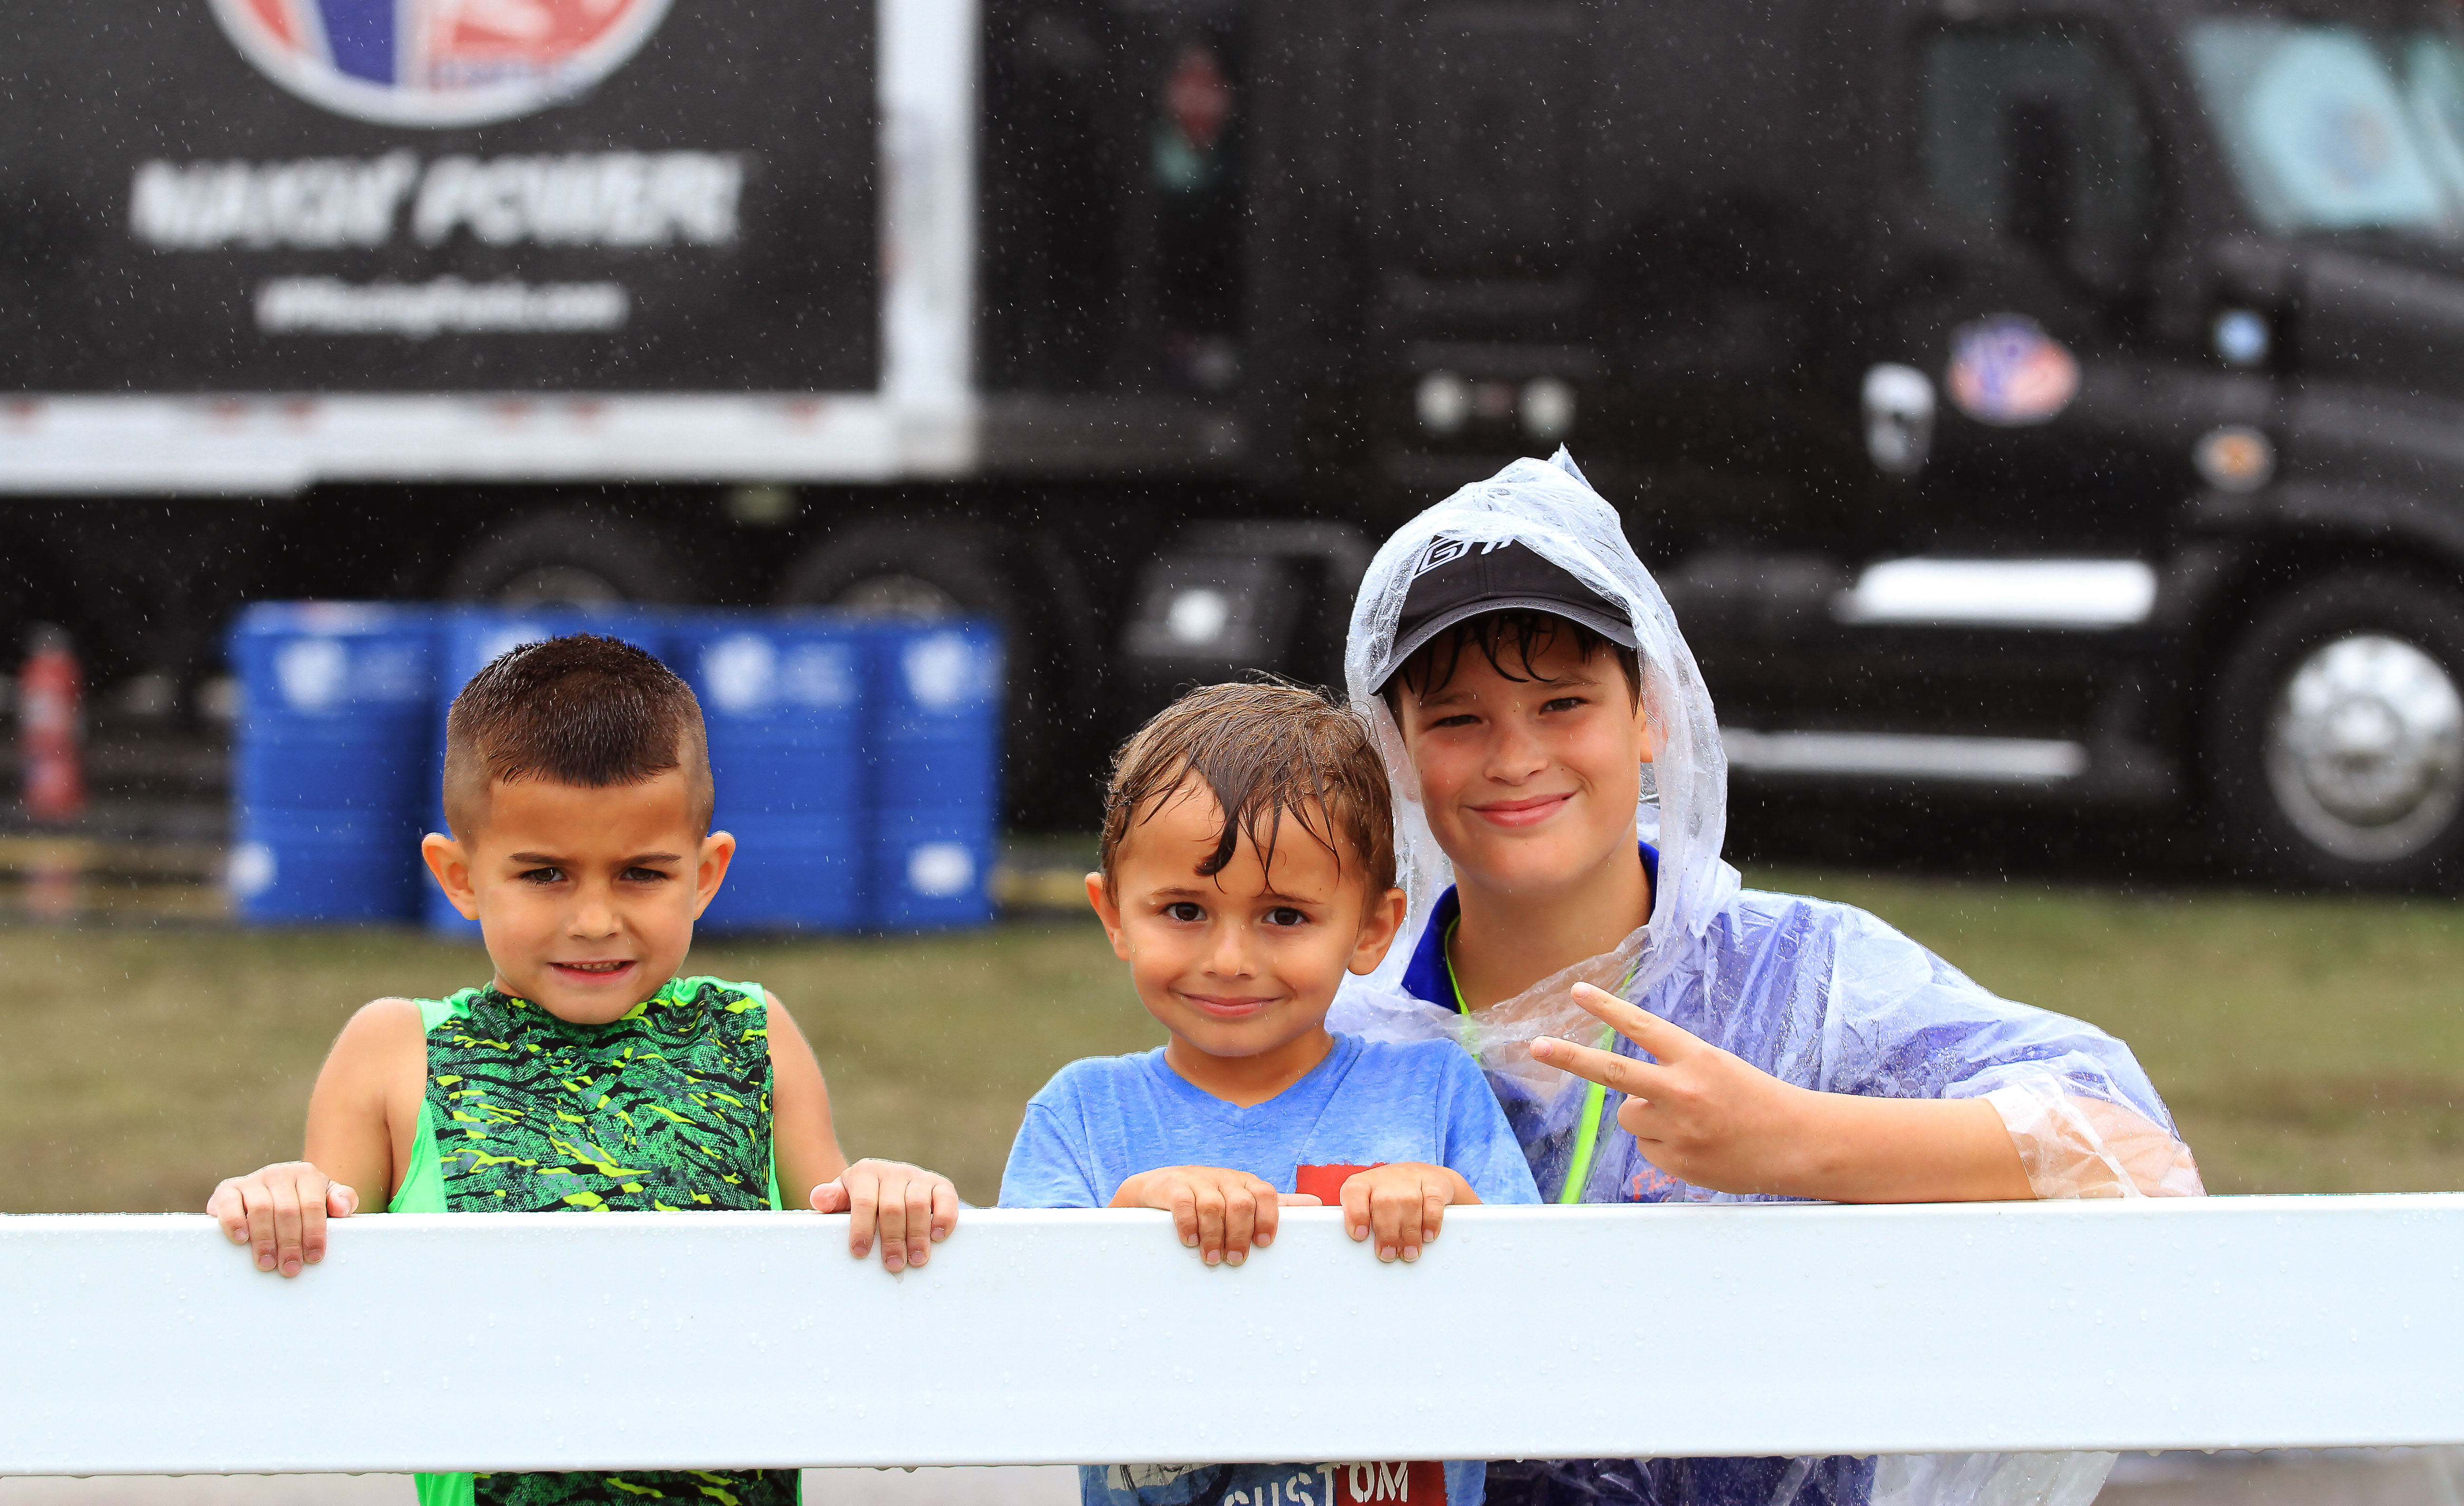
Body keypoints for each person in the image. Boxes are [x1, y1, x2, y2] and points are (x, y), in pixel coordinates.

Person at [1328, 452, 2202, 1506]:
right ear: (1396, 750)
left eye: (1563, 703)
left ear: (1649, 711)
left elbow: (2136, 1155)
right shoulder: (1344, 1030)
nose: (1516, 756)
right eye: (1458, 719)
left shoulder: (1806, 979)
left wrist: (1790, 1138)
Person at [207, 634, 960, 1506]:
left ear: (707, 873)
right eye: (545, 875)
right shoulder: (393, 1053)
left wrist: (885, 1191)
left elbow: (843, 1267)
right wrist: (281, 1197)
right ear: (459, 878)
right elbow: (315, 1304)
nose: (596, 919)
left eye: (642, 873)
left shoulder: (753, 1034)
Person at [1001, 681, 1542, 1506]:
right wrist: (1128, 1224)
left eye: (1284, 917)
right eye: (1184, 909)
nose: (1229, 958)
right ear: (1113, 914)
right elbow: (1014, 1343)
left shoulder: (1435, 1092)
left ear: (1371, 930)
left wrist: (1453, 1208)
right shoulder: (1081, 1115)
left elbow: (1542, 1313)